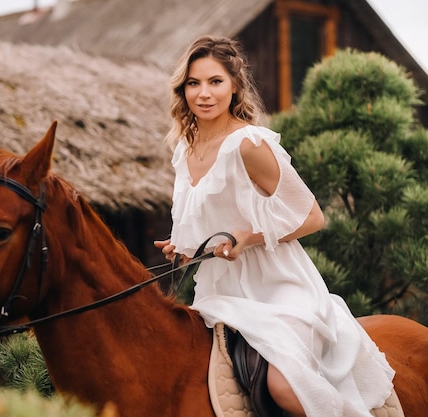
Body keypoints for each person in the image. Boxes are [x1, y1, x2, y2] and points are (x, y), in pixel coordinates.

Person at [154, 35, 394, 417]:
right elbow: (212, 221)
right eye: (193, 83)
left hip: (278, 289)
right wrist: (185, 248)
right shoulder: (186, 148)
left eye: (215, 81)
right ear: (182, 90)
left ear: (234, 86)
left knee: (282, 386)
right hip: (220, 293)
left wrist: (250, 238)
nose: (203, 93)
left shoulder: (247, 144)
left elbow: (311, 216)